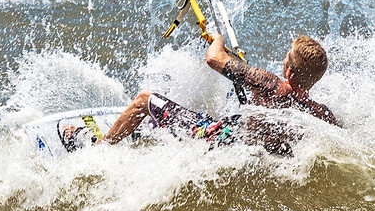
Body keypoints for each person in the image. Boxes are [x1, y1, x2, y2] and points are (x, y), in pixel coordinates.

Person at [64, 32, 337, 154]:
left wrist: (216, 39)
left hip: (222, 141)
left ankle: (97, 148)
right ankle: (145, 133)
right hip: (245, 144)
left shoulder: (271, 83)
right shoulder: (319, 112)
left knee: (146, 100)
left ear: (289, 71)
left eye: (286, 59)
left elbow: (213, 59)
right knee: (200, 115)